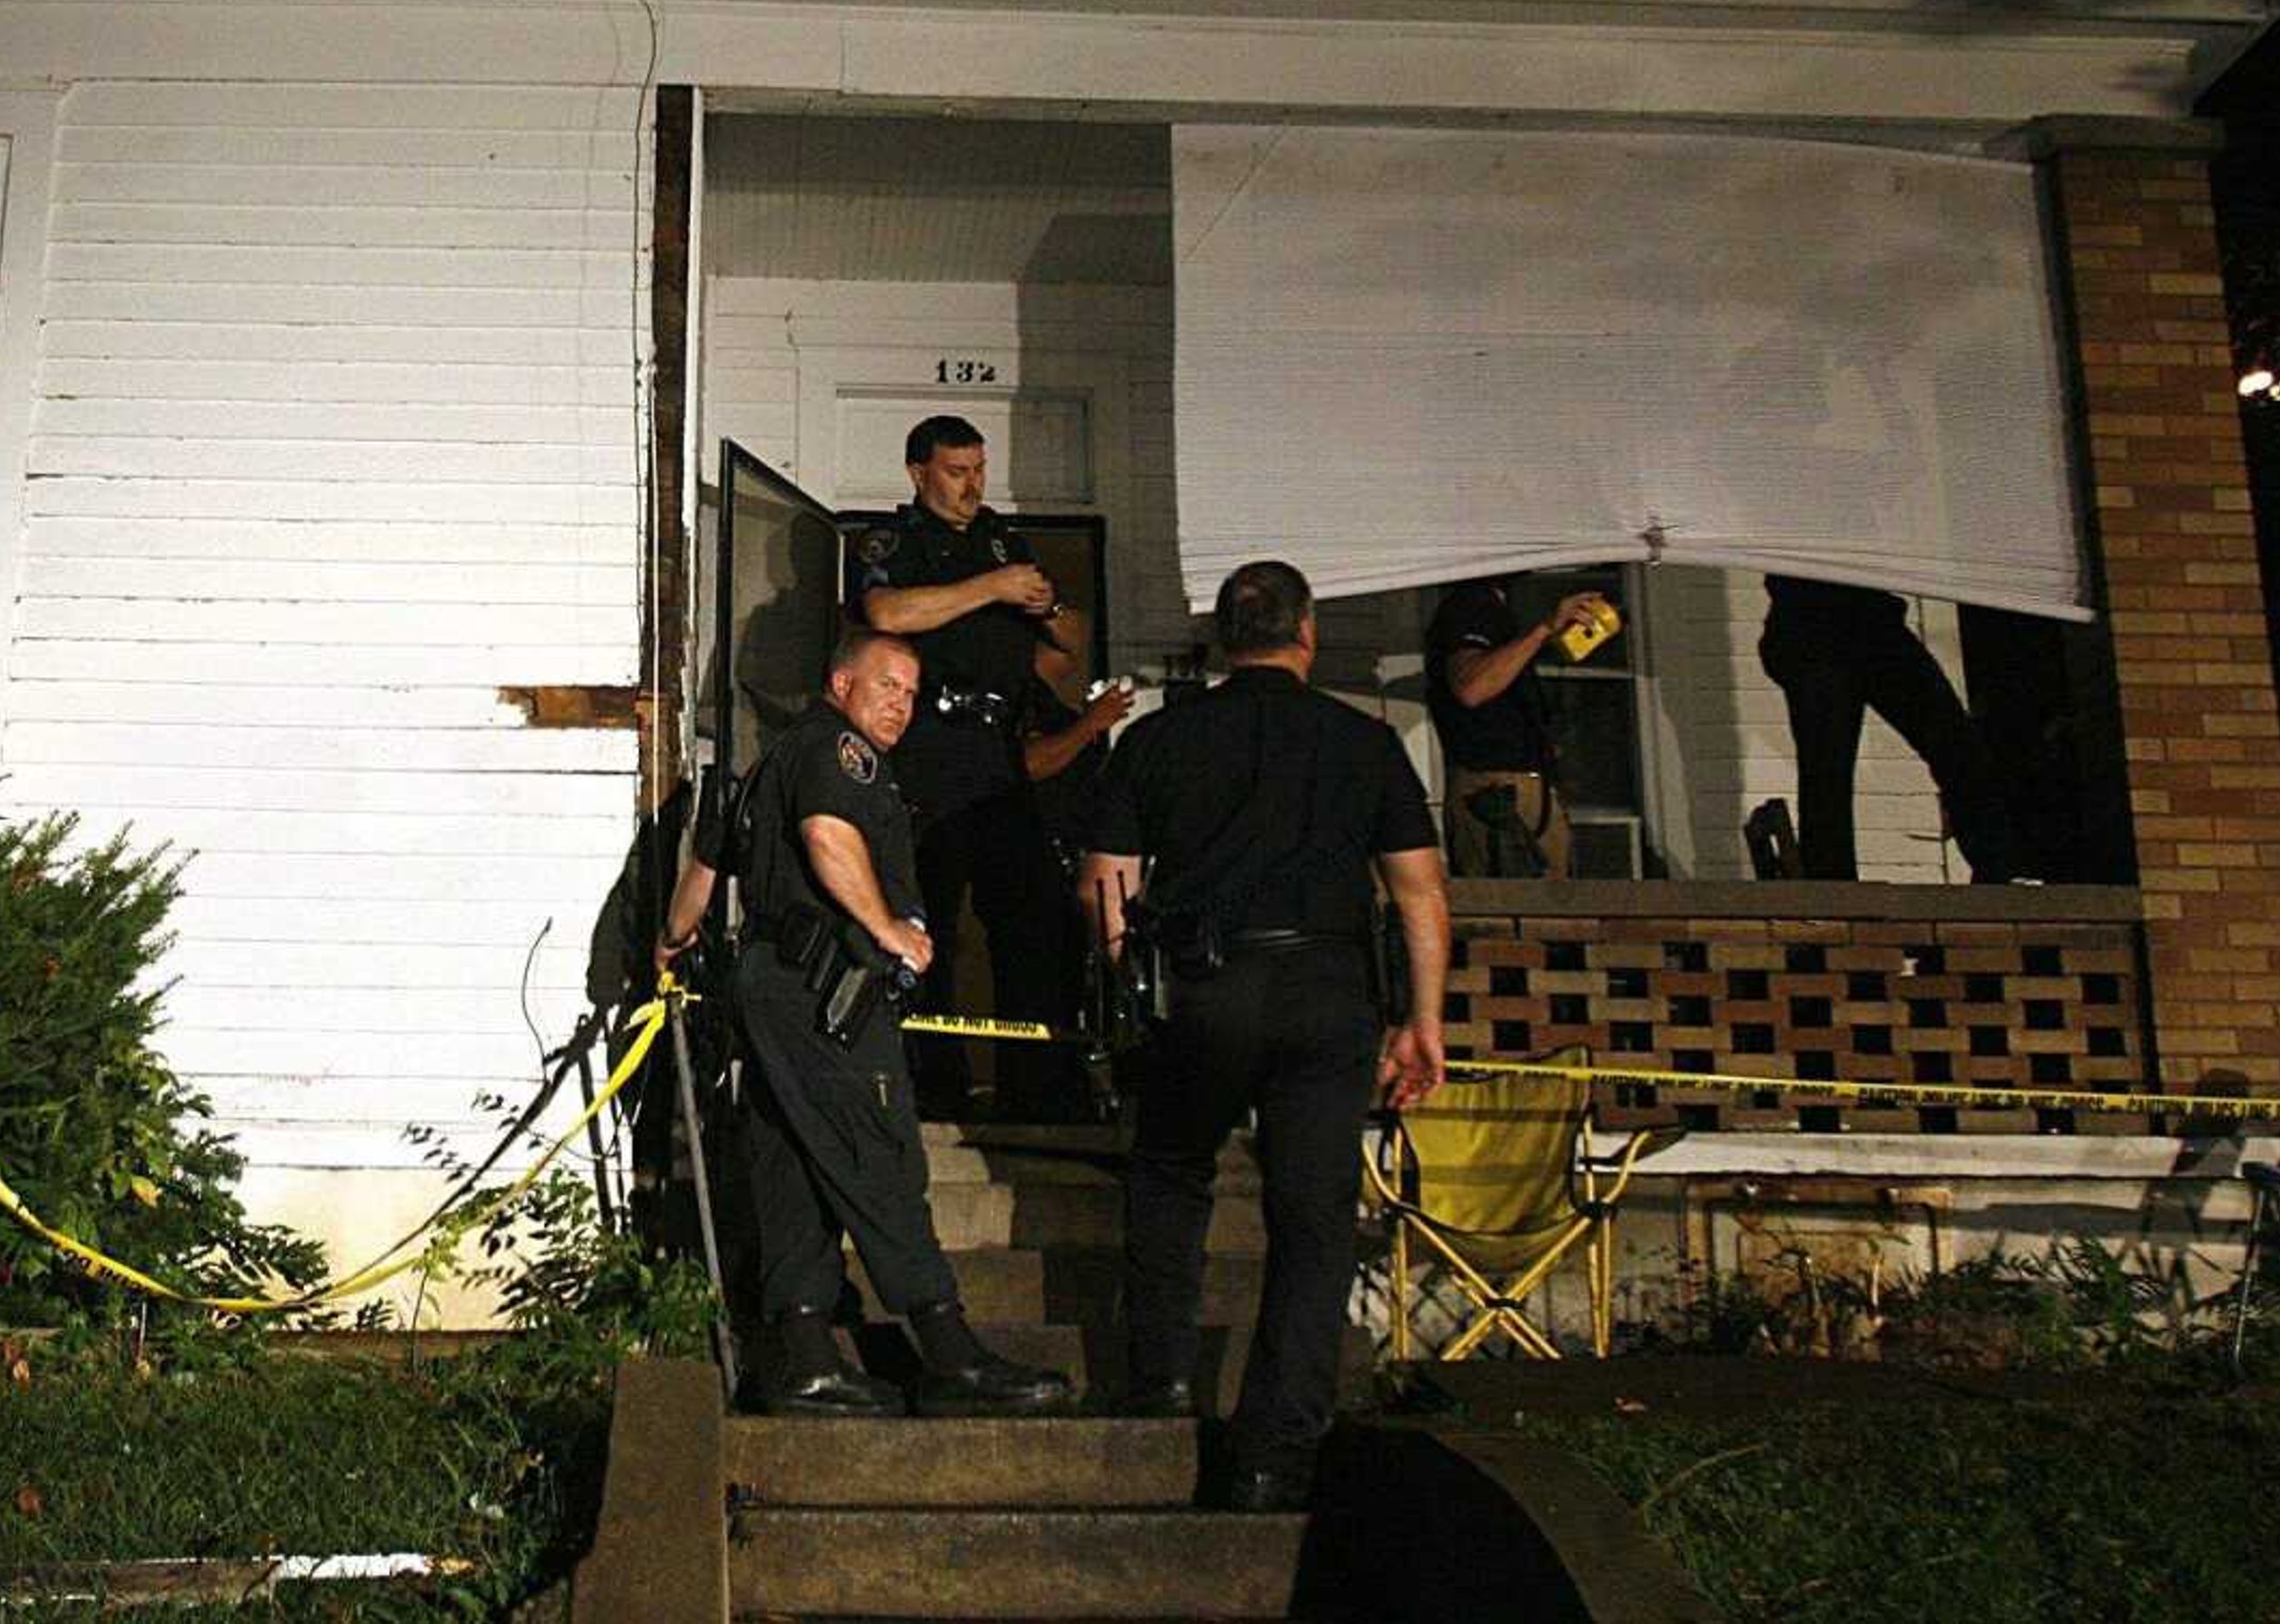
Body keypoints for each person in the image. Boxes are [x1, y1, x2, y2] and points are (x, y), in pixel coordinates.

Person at [1079, 560, 1449, 1513]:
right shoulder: (1364, 743)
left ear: (1219, 638)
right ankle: (1271, 1449)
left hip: (1202, 984)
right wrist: (1423, 1018)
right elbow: (1419, 890)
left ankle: (1157, 1383)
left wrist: (1132, 979)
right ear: (1307, 632)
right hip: (1327, 989)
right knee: (1314, 1215)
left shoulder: (1155, 739)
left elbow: (1105, 881)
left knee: (1168, 1174)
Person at [654, 627, 1074, 1418]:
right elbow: (827, 836)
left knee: (793, 1167)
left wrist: (670, 943)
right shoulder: (839, 755)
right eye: (888, 687)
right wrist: (888, 929)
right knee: (880, 1158)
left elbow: (705, 873)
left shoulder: (768, 762)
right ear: (840, 683)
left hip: (773, 994)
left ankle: (804, 1355)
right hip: (829, 995)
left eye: (912, 695)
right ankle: (950, 1353)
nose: (902, 707)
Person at [851, 413, 1089, 1115]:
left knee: (1037, 921)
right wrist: (992, 588)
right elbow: (887, 612)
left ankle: (1038, 1085)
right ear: (919, 472)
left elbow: (1071, 638)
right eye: (957, 472)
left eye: (980, 470)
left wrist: (1047, 604)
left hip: (999, 758)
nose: (972, 485)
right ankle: (933, 1085)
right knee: (930, 930)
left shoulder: (1001, 539)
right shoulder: (896, 541)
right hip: (927, 753)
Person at [1757, 575, 2024, 882]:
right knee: (1828, 772)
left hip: (1864, 622)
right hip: (1814, 623)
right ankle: (1832, 887)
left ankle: (1998, 869)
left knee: (1954, 745)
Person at [1421, 573, 1611, 878]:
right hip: (1496, 795)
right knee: (1517, 908)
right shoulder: (1470, 603)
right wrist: (1544, 628)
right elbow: (1473, 686)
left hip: (1521, 788)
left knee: (1549, 912)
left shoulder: (1499, 609)